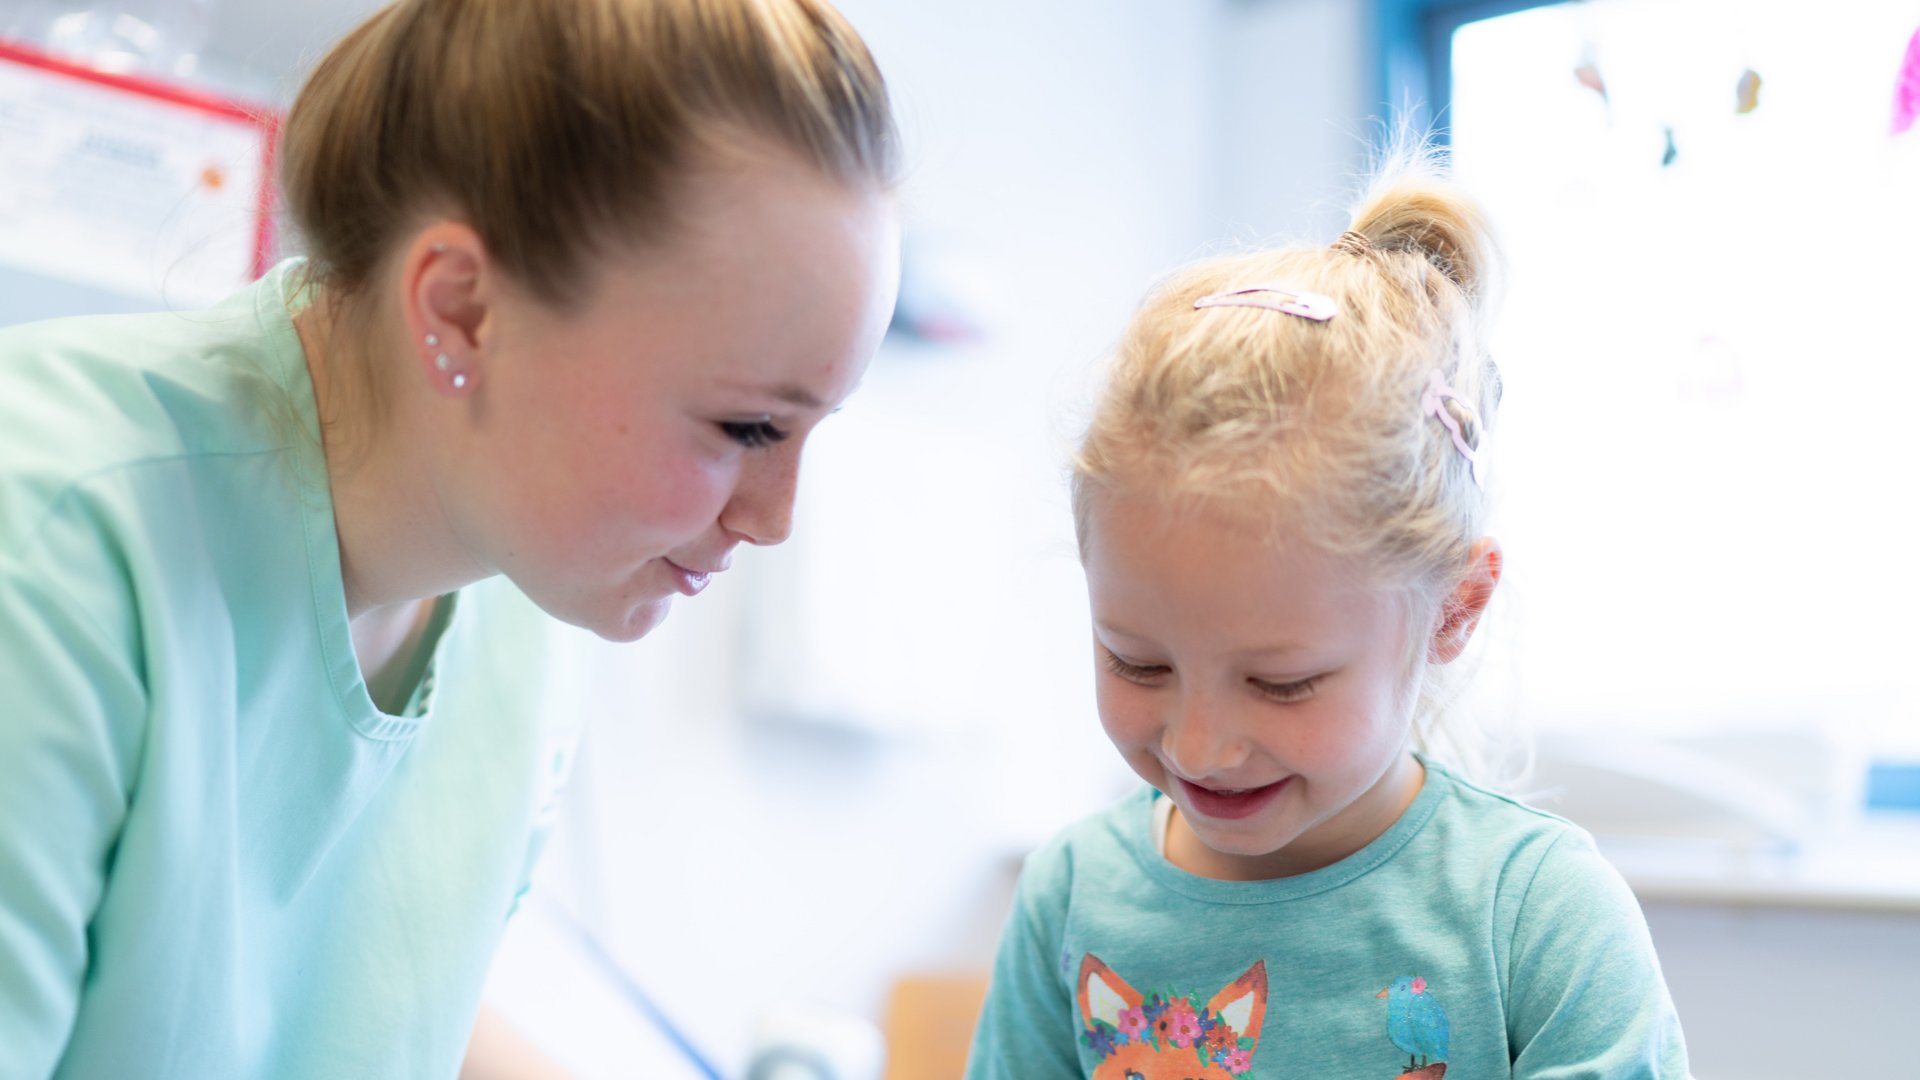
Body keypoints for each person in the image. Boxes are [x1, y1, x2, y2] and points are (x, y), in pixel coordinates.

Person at [0, 0, 900, 1076]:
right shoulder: (52, 535)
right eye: (745, 426)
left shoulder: (521, 604)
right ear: (465, 309)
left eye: (810, 433)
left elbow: (381, 1004)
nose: (773, 519)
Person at [963, 149, 1689, 1080]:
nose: (1201, 746)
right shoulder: (1072, 900)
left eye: (1281, 682)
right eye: (1137, 662)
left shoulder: (1536, 916)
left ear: (1455, 609)